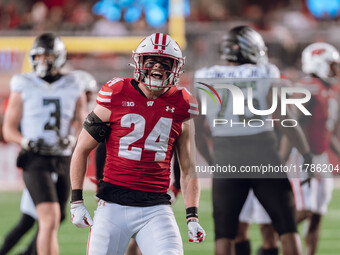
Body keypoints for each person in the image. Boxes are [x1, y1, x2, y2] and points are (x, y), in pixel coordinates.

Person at [69, 33, 206, 255]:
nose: (157, 67)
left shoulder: (182, 103)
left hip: (156, 208)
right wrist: (76, 201)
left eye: (165, 62)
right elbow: (81, 150)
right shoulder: (116, 93)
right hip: (112, 205)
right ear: (139, 63)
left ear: (176, 67)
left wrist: (192, 216)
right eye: (151, 61)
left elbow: (188, 168)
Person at [194, 25, 312, 255]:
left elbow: (198, 131)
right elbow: (285, 119)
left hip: (226, 158)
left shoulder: (204, 76)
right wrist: (306, 153)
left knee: (224, 235)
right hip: (263, 155)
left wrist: (212, 162)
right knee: (287, 230)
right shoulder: (266, 72)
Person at [2, 32, 87, 255]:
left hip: (63, 157)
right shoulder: (23, 83)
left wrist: (73, 138)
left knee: (56, 218)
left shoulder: (74, 83)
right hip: (35, 157)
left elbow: (82, 120)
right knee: (47, 217)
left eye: (47, 56)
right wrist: (25, 141)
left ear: (59, 57)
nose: (42, 61)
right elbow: (8, 128)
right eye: (38, 56)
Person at [281, 42, 340, 255]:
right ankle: (279, 233)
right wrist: (289, 159)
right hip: (302, 155)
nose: (336, 69)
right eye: (332, 64)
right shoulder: (309, 87)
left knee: (317, 213)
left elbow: (328, 131)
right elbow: (292, 124)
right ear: (319, 63)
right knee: (304, 210)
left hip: (321, 155)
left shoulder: (328, 90)